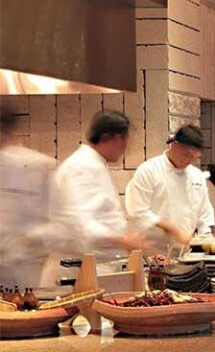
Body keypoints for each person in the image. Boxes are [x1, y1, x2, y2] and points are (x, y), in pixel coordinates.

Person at [51, 110, 145, 282]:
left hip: (99, 265)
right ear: (117, 139)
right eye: (126, 143)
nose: (125, 150)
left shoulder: (94, 163)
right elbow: (82, 224)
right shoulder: (81, 167)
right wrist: (123, 240)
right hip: (80, 271)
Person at [125, 124, 215, 246]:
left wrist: (207, 239)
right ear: (174, 144)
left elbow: (205, 214)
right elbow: (138, 211)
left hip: (185, 251)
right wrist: (174, 231)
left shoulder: (197, 176)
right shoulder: (149, 170)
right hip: (152, 250)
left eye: (194, 157)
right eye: (186, 155)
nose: (188, 160)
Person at [0, 107, 58, 287]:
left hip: (25, 268)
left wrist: (26, 239)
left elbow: (61, 222)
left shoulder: (40, 165)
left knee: (23, 312)